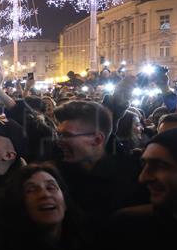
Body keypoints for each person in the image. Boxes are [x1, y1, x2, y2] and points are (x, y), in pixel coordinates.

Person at [54, 100, 147, 233]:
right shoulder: (57, 176)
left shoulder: (137, 174)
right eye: (59, 134)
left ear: (97, 139)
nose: (59, 141)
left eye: (66, 135)